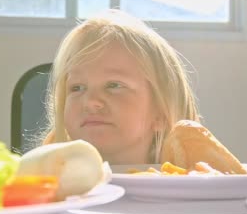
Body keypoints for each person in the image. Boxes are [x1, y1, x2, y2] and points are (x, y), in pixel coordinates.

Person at [39, 9, 200, 165]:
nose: (90, 102)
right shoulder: (49, 184)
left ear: (161, 113)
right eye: (77, 88)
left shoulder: (187, 188)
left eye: (113, 85)